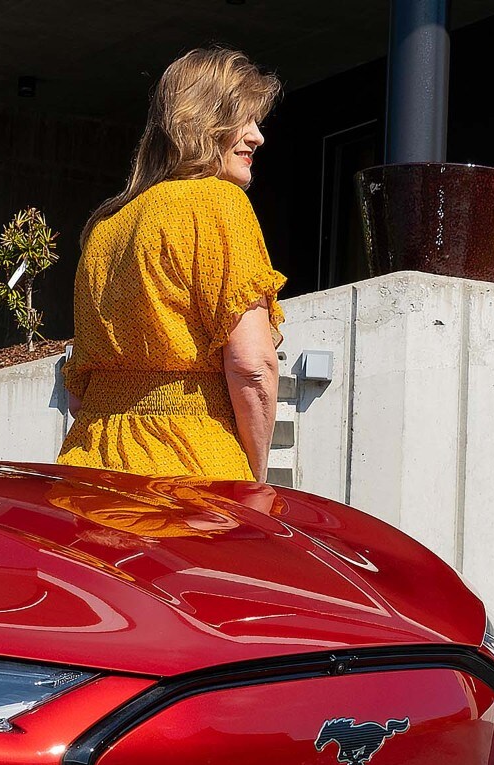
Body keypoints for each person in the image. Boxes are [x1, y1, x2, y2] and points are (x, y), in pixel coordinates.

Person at [57, 47, 285, 482]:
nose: (258, 137)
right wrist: (254, 478)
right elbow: (253, 369)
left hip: (91, 464)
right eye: (244, 120)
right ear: (201, 120)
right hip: (189, 465)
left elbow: (78, 394)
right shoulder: (217, 202)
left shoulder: (106, 226)